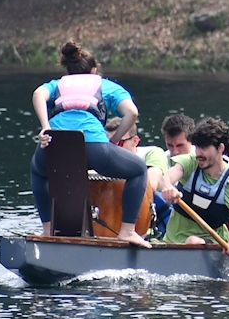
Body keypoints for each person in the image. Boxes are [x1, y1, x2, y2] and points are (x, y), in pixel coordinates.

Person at [29, 41, 150, 248]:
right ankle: (127, 232)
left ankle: (48, 230)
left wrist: (45, 127)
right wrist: (114, 140)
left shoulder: (58, 84)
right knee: (138, 170)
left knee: (38, 172)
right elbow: (132, 112)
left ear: (68, 69)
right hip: (93, 145)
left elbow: (38, 94)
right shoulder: (105, 85)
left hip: (55, 143)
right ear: (94, 71)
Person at [158, 118, 229, 257]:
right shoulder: (191, 162)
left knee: (193, 241)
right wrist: (167, 187)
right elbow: (165, 179)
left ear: (220, 148)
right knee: (190, 241)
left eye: (204, 148)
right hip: (172, 242)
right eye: (197, 147)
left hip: (213, 244)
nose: (198, 153)